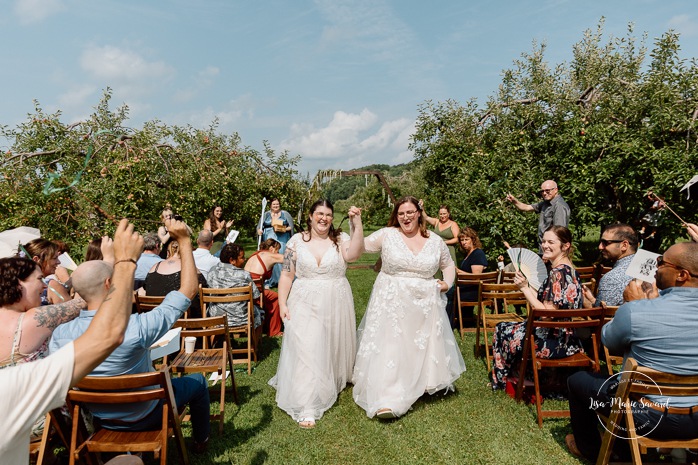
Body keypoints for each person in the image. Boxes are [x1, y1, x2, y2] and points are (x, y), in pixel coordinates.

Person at [50, 219, 211, 454]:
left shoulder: (60, 336)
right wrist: (185, 241)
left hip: (101, 417)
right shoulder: (137, 327)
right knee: (198, 382)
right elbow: (187, 291)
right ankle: (201, 441)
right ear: (109, 284)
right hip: (146, 414)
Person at [0, 219, 144, 464]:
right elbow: (86, 301)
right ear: (18, 285)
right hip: (39, 416)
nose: (43, 287)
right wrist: (117, 262)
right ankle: (118, 447)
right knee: (87, 393)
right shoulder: (32, 319)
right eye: (38, 281)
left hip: (9, 416)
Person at [565, 242, 698, 461]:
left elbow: (609, 341)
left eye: (661, 263)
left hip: (649, 418)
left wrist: (631, 306)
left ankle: (592, 449)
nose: (655, 267)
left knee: (578, 380)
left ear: (682, 275)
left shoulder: (636, 310)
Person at [352, 196, 466, 419]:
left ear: (419, 213)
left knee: (418, 343)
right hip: (392, 301)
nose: (406, 217)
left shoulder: (434, 240)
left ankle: (423, 381)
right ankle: (387, 396)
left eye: (410, 212)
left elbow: (448, 264)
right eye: (401, 213)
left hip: (424, 303)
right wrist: (356, 224)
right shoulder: (387, 235)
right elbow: (360, 247)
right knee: (393, 345)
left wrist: (448, 282)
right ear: (397, 216)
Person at [269, 200, 364, 429]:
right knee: (307, 348)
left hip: (336, 299)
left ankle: (332, 379)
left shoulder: (339, 239)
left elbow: (353, 255)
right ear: (310, 216)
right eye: (319, 214)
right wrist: (282, 303)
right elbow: (286, 275)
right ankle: (307, 404)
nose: (324, 218)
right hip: (304, 300)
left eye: (328, 214)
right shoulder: (295, 242)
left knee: (328, 344)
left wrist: (357, 225)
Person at [491, 226, 583, 390]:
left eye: (550, 242)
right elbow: (549, 302)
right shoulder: (571, 271)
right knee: (511, 327)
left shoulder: (557, 274)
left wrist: (525, 289)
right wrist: (526, 284)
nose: (545, 245)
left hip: (551, 342)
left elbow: (546, 314)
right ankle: (525, 376)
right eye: (543, 241)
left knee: (501, 328)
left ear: (566, 245)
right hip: (568, 338)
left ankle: (504, 381)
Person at [206, 244, 264, 341]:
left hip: (217, 318)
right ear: (232, 260)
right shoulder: (244, 275)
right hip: (241, 319)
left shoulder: (212, 272)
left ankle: (213, 345)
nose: (244, 259)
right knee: (260, 312)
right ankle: (255, 346)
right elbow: (255, 296)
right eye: (242, 257)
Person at [143, 240, 207, 318]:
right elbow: (204, 289)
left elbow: (145, 288)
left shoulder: (154, 268)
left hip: (155, 320)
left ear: (168, 253)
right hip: (185, 322)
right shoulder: (190, 270)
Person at [506, 180, 570, 252]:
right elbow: (527, 207)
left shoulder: (559, 206)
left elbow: (558, 232)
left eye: (547, 191)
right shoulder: (545, 203)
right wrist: (515, 201)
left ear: (556, 190)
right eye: (542, 191)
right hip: (544, 249)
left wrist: (549, 253)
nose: (544, 193)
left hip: (552, 251)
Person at [583, 223, 637, 307]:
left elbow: (599, 316)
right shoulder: (650, 268)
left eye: (605, 243)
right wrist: (593, 300)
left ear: (624, 245)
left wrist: (583, 300)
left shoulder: (610, 279)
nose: (600, 247)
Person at [244, 238, 283, 337]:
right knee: (276, 297)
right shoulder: (269, 255)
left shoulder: (256, 254)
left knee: (269, 295)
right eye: (277, 250)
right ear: (271, 248)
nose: (278, 253)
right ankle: (274, 330)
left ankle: (266, 325)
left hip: (245, 289)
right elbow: (288, 258)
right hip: (255, 291)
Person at [257, 198, 294, 288]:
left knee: (282, 257)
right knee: (270, 258)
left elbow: (291, 227)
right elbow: (259, 227)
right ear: (270, 205)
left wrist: (283, 229)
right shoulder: (265, 215)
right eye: (274, 204)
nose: (276, 206)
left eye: (277, 204)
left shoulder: (285, 214)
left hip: (283, 239)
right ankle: (271, 281)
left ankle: (284, 280)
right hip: (269, 239)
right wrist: (259, 231)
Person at [23, 238, 72, 305]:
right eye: (54, 258)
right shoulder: (52, 285)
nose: (59, 262)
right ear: (36, 259)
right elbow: (71, 312)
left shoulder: (18, 285)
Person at [420, 201, 460, 266]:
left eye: (444, 214)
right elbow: (426, 217)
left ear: (448, 214)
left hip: (448, 250)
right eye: (441, 214)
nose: (442, 216)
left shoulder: (453, 224)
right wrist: (422, 208)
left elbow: (457, 239)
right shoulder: (437, 222)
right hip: (437, 251)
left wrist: (444, 242)